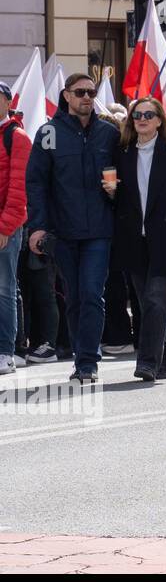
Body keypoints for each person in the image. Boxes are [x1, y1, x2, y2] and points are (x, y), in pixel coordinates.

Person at [25, 73, 119, 383]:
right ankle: (83, 353)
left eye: (91, 92)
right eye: (80, 92)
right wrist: (37, 227)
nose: (87, 97)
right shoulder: (48, 132)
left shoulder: (109, 132)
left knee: (92, 293)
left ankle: (87, 362)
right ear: (67, 96)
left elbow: (126, 172)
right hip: (63, 232)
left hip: (99, 231)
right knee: (75, 297)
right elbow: (36, 183)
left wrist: (117, 190)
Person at [103, 97, 166, 383]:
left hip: (163, 240)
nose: (141, 118)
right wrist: (110, 191)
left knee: (155, 302)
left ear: (158, 121)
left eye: (148, 115)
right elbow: (114, 195)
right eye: (137, 114)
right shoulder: (122, 153)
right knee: (147, 304)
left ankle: (147, 362)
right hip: (133, 241)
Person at [0, 81, 30, 375]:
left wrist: (5, 227)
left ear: (8, 102)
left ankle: (6, 352)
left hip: (6, 226)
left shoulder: (17, 136)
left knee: (4, 289)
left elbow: (19, 189)